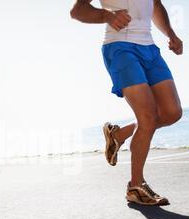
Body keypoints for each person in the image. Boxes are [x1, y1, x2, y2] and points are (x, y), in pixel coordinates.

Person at [71, 0, 183, 206]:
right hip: (120, 47)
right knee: (147, 117)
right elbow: (78, 11)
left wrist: (171, 34)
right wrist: (107, 16)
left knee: (172, 112)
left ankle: (118, 134)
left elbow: (156, 6)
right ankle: (135, 186)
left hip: (149, 48)